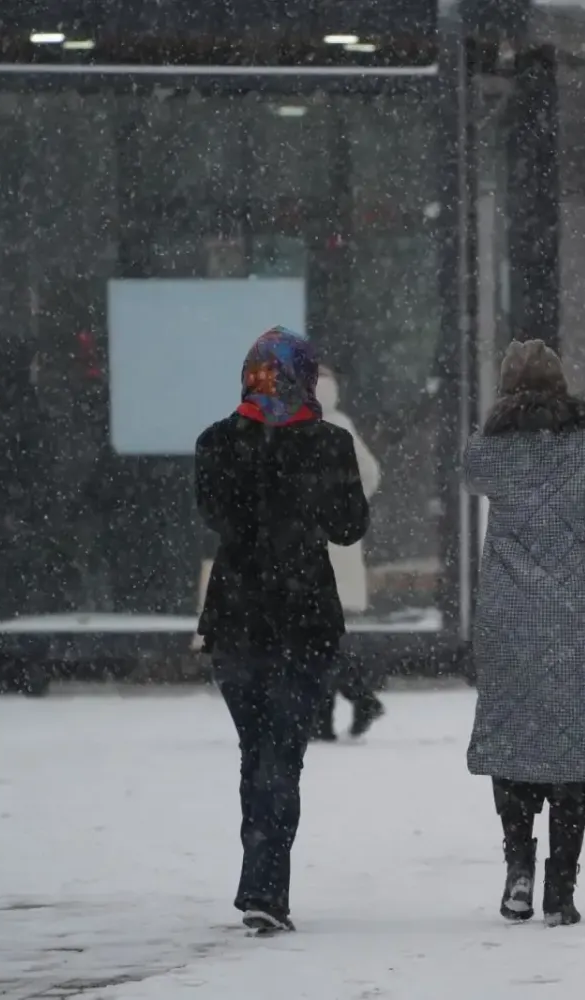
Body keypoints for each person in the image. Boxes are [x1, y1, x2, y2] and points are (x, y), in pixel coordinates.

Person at [195, 327, 369, 934]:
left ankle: (258, 879)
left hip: (236, 619)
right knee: (281, 757)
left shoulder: (215, 443)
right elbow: (349, 528)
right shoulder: (328, 444)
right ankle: (264, 886)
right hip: (304, 620)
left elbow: (218, 517)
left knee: (257, 753)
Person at [463, 339, 585, 928]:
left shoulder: (488, 452)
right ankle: (561, 890)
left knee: (513, 740)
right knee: (572, 749)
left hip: (509, 618)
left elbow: (468, 468)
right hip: (576, 617)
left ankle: (518, 870)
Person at [310, 364, 386, 741]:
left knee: (314, 639)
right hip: (337, 545)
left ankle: (353, 702)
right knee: (322, 637)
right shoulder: (341, 425)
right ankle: (334, 713)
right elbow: (371, 474)